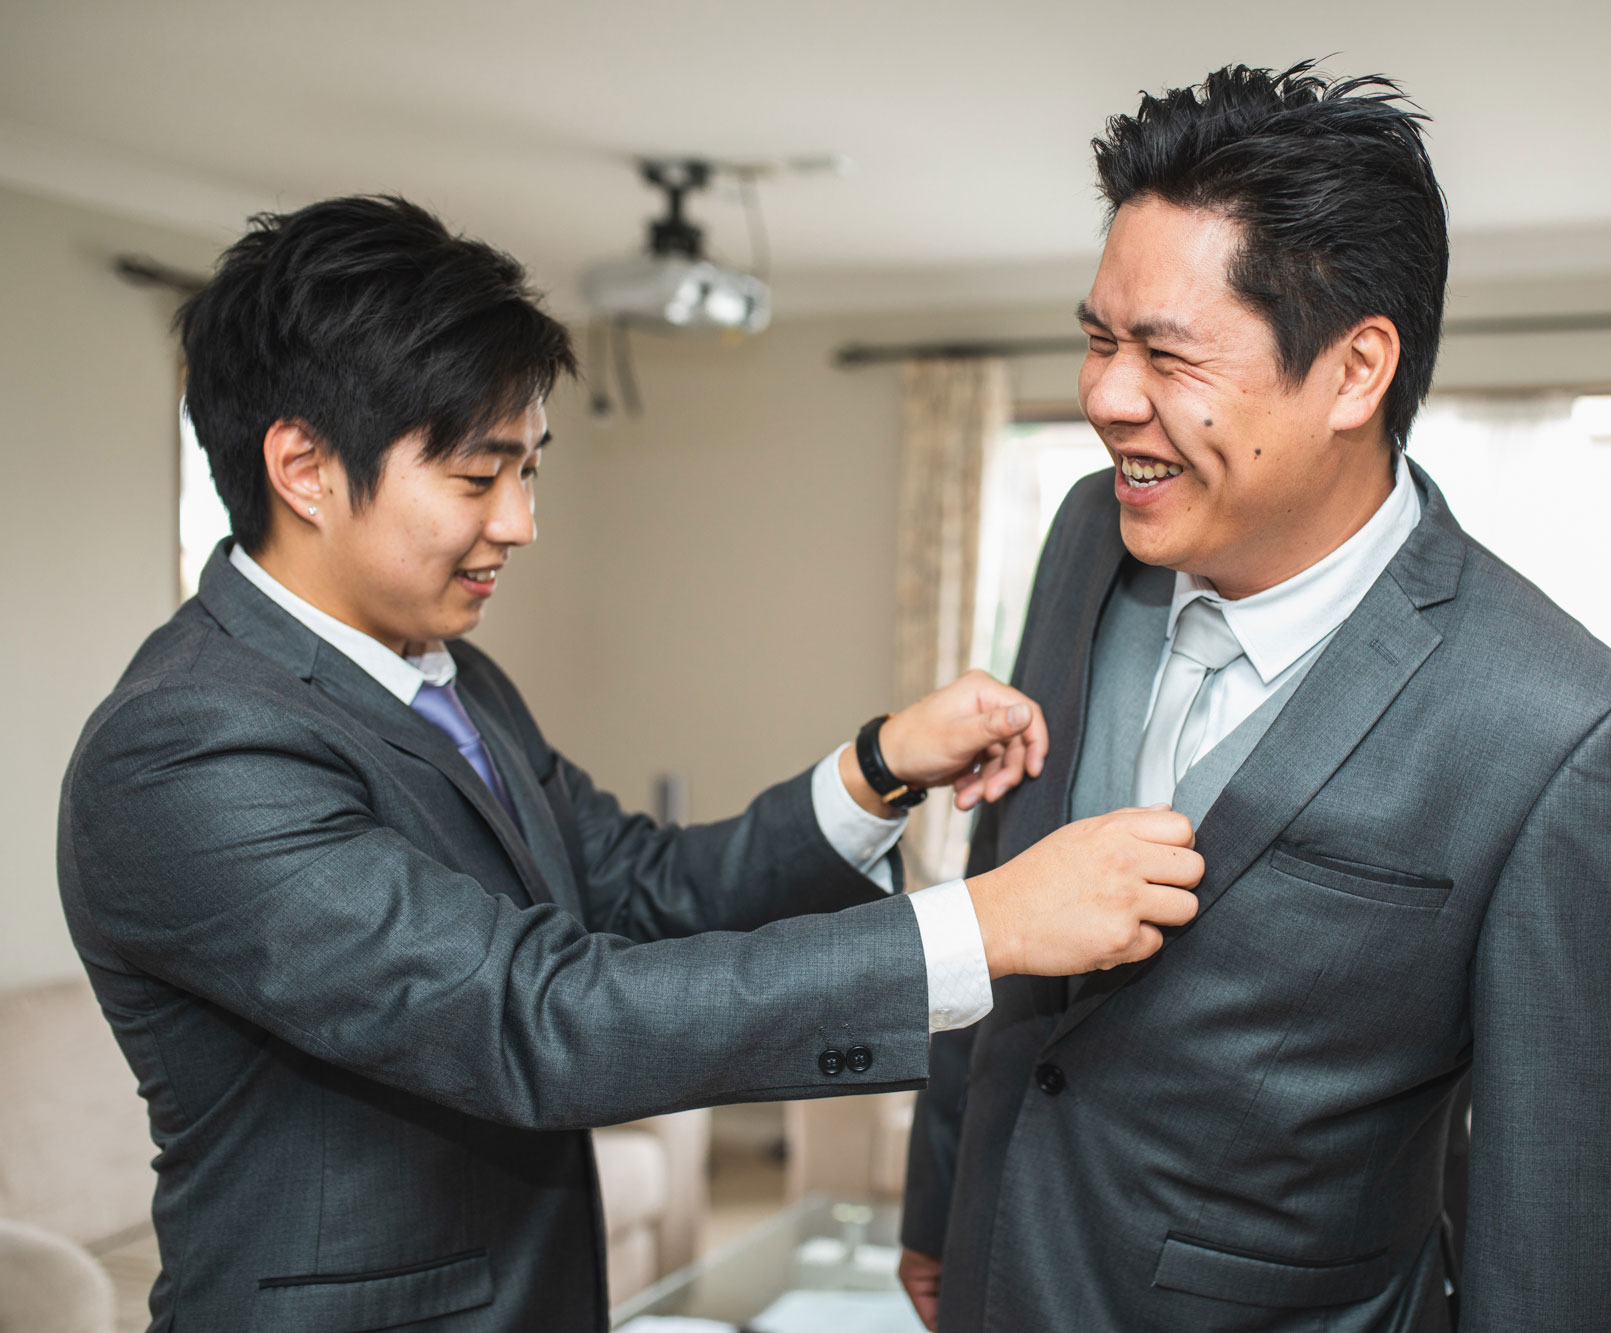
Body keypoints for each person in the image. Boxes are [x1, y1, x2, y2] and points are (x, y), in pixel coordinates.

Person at [56, 196, 1202, 1332]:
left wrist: (875, 766)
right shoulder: (187, 748)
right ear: (303, 467)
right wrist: (982, 925)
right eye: (476, 475)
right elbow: (532, 1016)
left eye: (530, 468)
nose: (520, 522)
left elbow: (643, 891)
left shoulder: (451, 677)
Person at [900, 63, 1611, 1332]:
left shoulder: (1564, 734)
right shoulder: (1082, 539)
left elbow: (1572, 1234)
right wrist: (940, 1202)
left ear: (1352, 371)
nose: (1104, 397)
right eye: (1099, 339)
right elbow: (1006, 889)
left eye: (1163, 352)